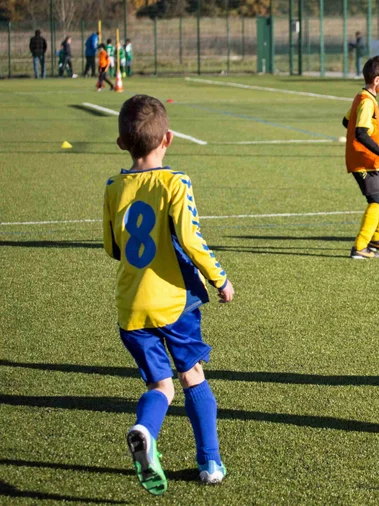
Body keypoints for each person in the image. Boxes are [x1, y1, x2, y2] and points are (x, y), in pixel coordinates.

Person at [102, 95, 234, 495]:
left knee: (162, 387)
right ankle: (209, 460)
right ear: (168, 139)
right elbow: (192, 240)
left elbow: (113, 248)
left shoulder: (113, 186)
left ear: (122, 143)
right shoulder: (175, 182)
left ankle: (146, 428)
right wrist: (220, 278)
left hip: (130, 307)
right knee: (193, 377)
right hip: (174, 301)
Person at [342, 55, 379, 259]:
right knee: (375, 200)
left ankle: (377, 238)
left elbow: (345, 121)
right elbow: (360, 132)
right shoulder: (367, 102)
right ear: (377, 80)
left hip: (370, 161)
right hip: (363, 162)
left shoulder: (363, 97)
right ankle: (360, 247)